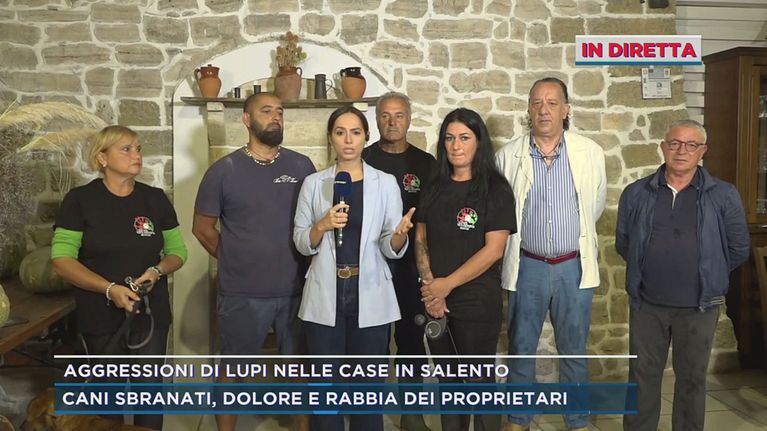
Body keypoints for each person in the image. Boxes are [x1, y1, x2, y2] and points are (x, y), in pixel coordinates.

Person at [51, 125, 188, 430]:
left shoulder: (155, 199)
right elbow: (61, 259)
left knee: (149, 395)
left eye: (138, 148)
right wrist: (109, 289)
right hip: (100, 314)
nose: (136, 155)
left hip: (149, 314)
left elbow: (178, 252)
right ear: (102, 158)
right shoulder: (80, 201)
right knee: (107, 400)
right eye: (126, 149)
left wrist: (157, 271)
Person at [616, 119, 750, 431]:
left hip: (699, 306)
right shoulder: (636, 193)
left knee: (692, 379)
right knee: (642, 377)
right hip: (647, 304)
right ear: (663, 147)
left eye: (691, 145)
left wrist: (707, 271)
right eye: (674, 143)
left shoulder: (723, 195)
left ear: (703, 151)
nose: (681, 151)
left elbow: (738, 247)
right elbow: (625, 243)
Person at [192, 92, 315, 431]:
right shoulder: (223, 171)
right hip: (241, 294)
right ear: (246, 120)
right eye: (266, 111)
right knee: (232, 371)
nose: (275, 117)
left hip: (296, 291)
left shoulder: (302, 166)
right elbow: (202, 228)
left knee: (301, 370)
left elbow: (314, 223)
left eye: (280, 111)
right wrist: (234, 257)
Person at [293, 105, 415, 431]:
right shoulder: (313, 184)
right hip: (326, 292)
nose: (348, 140)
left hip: (370, 291)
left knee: (367, 392)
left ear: (366, 137)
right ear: (330, 138)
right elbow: (301, 241)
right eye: (340, 132)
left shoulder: (384, 183)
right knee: (325, 393)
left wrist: (399, 237)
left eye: (356, 132)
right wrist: (321, 225)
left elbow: (390, 245)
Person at [495, 77, 606, 431]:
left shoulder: (589, 152)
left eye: (552, 103)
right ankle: (518, 419)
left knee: (573, 348)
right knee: (521, 346)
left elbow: (594, 206)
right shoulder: (506, 156)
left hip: (573, 266)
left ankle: (577, 420)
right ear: (529, 109)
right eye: (537, 103)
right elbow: (503, 212)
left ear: (566, 110)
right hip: (527, 264)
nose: (544, 110)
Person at [416, 108, 516, 431]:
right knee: (449, 386)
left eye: (464, 137)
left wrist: (447, 284)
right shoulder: (433, 187)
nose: (456, 145)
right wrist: (432, 289)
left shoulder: (496, 189)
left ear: (478, 142)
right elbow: (421, 239)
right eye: (449, 138)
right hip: (437, 301)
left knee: (478, 384)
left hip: (477, 301)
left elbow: (494, 250)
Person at [362, 91, 437, 431]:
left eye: (399, 115)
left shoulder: (426, 164)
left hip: (410, 268)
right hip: (371, 265)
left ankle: (412, 412)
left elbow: (434, 218)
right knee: (372, 342)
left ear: (409, 119)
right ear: (377, 120)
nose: (392, 122)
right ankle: (369, 413)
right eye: (385, 116)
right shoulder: (362, 159)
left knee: (411, 340)